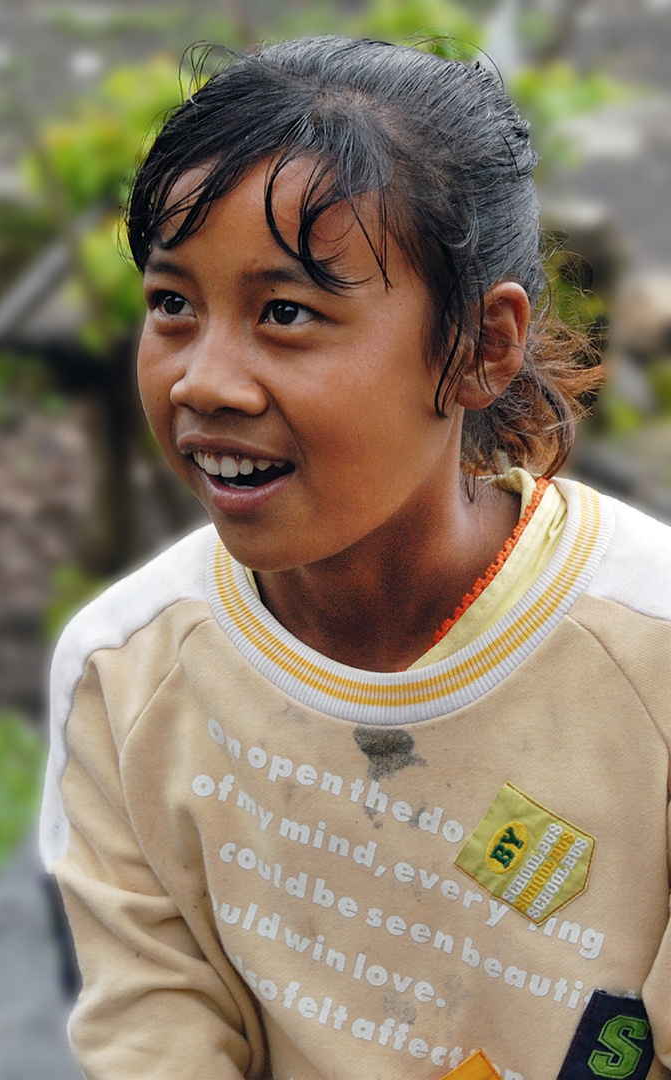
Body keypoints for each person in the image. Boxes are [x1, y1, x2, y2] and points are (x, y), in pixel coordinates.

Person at [40, 35, 671, 1080]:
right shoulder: (128, 674)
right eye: (172, 306)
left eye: (286, 313)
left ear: (480, 345)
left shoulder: (648, 650)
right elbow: (153, 1026)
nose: (205, 379)